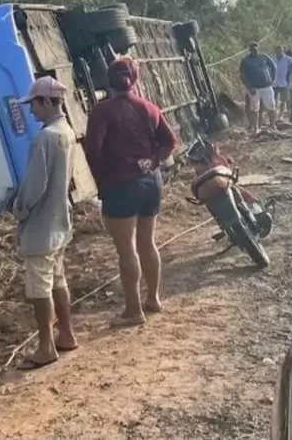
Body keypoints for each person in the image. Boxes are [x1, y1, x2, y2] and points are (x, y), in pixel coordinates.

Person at [84, 57, 178, 326]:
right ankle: (153, 299)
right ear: (134, 80)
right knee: (148, 242)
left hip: (120, 184)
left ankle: (133, 310)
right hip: (151, 182)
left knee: (126, 250)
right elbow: (170, 142)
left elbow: (93, 151)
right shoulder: (149, 107)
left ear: (109, 81)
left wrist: (103, 180)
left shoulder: (102, 112)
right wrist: (153, 162)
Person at [12, 75, 78, 369]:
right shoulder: (67, 132)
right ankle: (66, 333)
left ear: (49, 102)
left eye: (35, 104)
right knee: (58, 280)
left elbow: (34, 185)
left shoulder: (45, 137)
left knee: (39, 288)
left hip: (41, 225)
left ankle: (45, 346)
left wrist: (20, 210)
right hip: (59, 221)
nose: (32, 109)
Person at [239, 42, 278, 133]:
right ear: (249, 50)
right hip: (254, 87)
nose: (254, 51)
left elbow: (273, 66)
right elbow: (242, 75)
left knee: (271, 106)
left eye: (255, 49)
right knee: (254, 108)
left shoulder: (264, 57)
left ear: (258, 49)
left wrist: (273, 79)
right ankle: (255, 128)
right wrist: (249, 87)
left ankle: (273, 125)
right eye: (252, 49)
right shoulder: (245, 60)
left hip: (266, 86)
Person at [272, 45, 292, 120]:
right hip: (274, 83)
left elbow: (291, 68)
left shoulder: (288, 59)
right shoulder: (272, 58)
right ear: (275, 51)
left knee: (283, 100)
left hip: (284, 83)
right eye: (277, 51)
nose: (279, 52)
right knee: (274, 100)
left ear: (283, 51)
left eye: (280, 51)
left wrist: (288, 78)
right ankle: (274, 115)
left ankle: (281, 115)